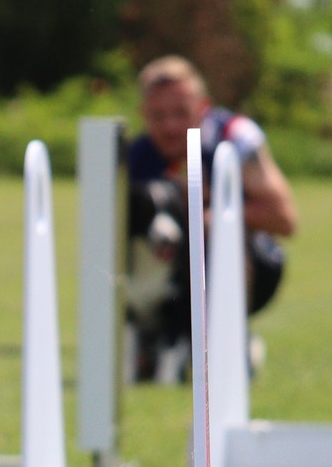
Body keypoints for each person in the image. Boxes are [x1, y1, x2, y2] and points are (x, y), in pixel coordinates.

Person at [123, 56, 298, 382]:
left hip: (251, 264)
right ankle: (149, 338)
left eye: (181, 113)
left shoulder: (236, 139)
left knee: (208, 227)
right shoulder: (135, 155)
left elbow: (285, 219)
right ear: (142, 113)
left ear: (203, 107)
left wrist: (214, 204)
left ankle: (229, 341)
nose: (170, 126)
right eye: (158, 116)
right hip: (165, 271)